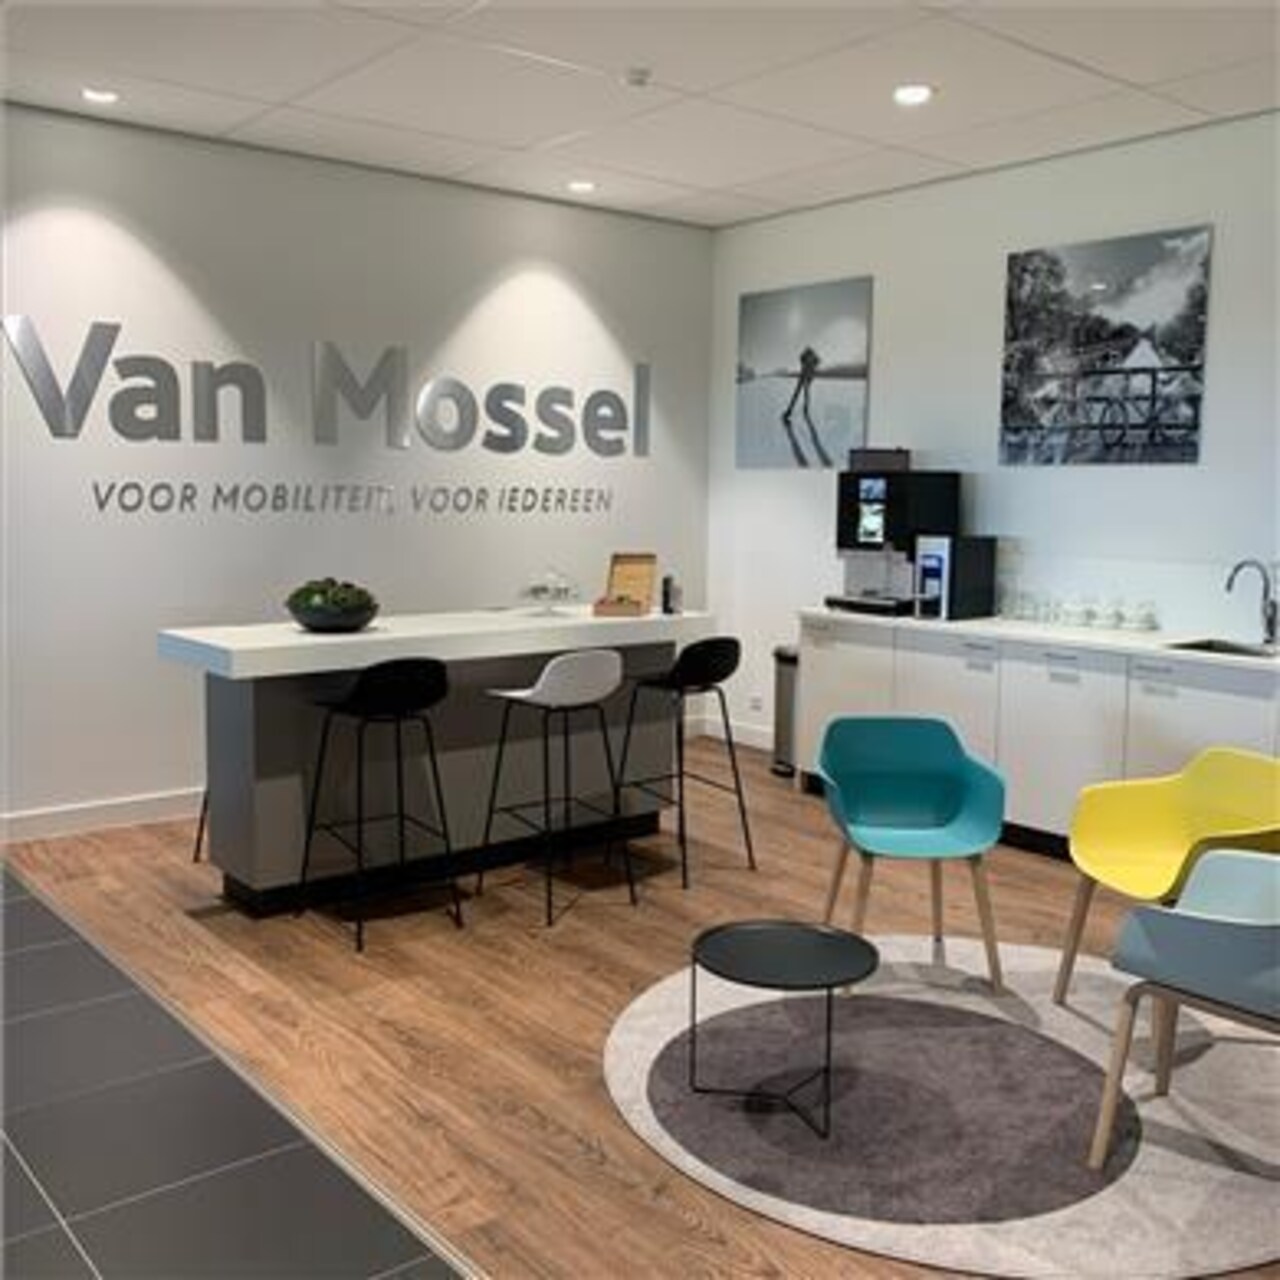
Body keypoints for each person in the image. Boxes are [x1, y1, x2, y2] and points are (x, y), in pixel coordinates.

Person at [780, 346, 832, 467]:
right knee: (801, 392)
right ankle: (795, 410)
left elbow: (816, 362)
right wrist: (809, 368)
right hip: (806, 375)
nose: (807, 358)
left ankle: (793, 411)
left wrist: (811, 369)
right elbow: (811, 363)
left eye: (808, 357)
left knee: (801, 392)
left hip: (807, 375)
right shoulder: (806, 358)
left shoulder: (810, 358)